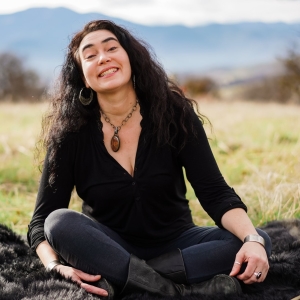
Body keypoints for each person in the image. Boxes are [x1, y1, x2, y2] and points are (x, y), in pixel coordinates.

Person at [27, 20, 271, 299]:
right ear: (84, 77)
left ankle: (131, 283)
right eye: (90, 55)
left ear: (130, 58)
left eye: (111, 48)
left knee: (257, 240)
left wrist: (252, 240)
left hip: (179, 246)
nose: (103, 57)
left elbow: (215, 192)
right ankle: (176, 291)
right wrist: (55, 265)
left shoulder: (174, 115)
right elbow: (42, 221)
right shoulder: (70, 135)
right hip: (108, 247)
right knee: (60, 223)